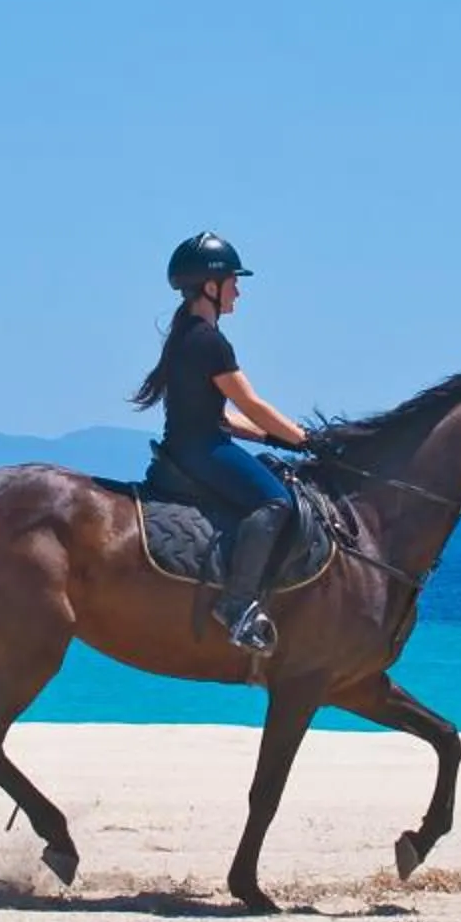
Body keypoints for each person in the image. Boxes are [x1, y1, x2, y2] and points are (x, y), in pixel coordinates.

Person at [131, 232, 310, 655]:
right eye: (233, 281)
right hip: (203, 451)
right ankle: (237, 604)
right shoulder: (209, 341)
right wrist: (306, 438)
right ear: (210, 286)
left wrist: (272, 437)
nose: (238, 291)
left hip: (192, 443)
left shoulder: (186, 336)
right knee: (276, 502)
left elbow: (221, 414)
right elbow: (249, 401)